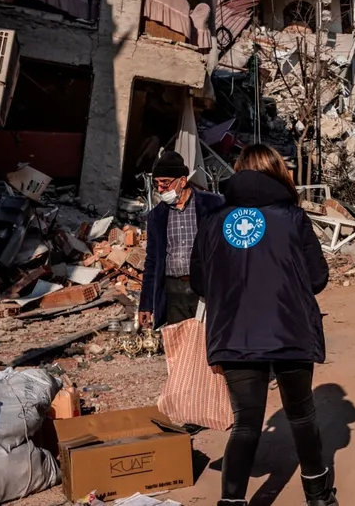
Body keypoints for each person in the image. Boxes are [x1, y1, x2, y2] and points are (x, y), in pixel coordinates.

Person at [189, 144, 336, 506]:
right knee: (302, 415)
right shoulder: (292, 218)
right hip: (291, 330)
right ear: (277, 174)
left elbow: (198, 283)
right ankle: (319, 498)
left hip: (236, 334)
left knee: (246, 423)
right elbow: (317, 278)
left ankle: (232, 501)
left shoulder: (212, 222)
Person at [139, 150, 224, 330]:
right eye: (157, 184)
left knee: (208, 339)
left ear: (183, 181)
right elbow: (152, 261)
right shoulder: (157, 215)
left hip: (206, 287)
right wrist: (146, 303)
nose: (161, 189)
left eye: (165, 183)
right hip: (174, 292)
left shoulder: (212, 205)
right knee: (179, 345)